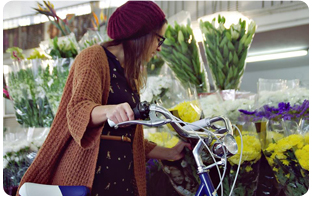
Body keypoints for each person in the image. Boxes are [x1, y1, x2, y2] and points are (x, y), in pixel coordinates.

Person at [16, 1, 191, 196]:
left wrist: (169, 152)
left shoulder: (129, 75)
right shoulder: (93, 57)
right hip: (90, 181)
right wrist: (109, 110)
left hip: (120, 182)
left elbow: (131, 140)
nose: (159, 48)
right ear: (141, 34)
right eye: (159, 39)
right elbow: (78, 110)